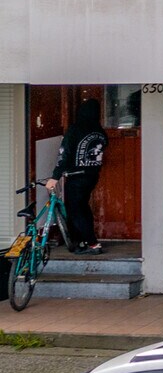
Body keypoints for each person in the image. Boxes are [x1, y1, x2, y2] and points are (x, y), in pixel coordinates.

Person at [44, 98, 106, 256]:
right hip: (92, 176)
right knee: (83, 208)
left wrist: (54, 177)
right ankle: (81, 241)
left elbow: (64, 155)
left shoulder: (75, 130)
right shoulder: (100, 132)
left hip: (76, 176)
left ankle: (92, 243)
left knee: (75, 209)